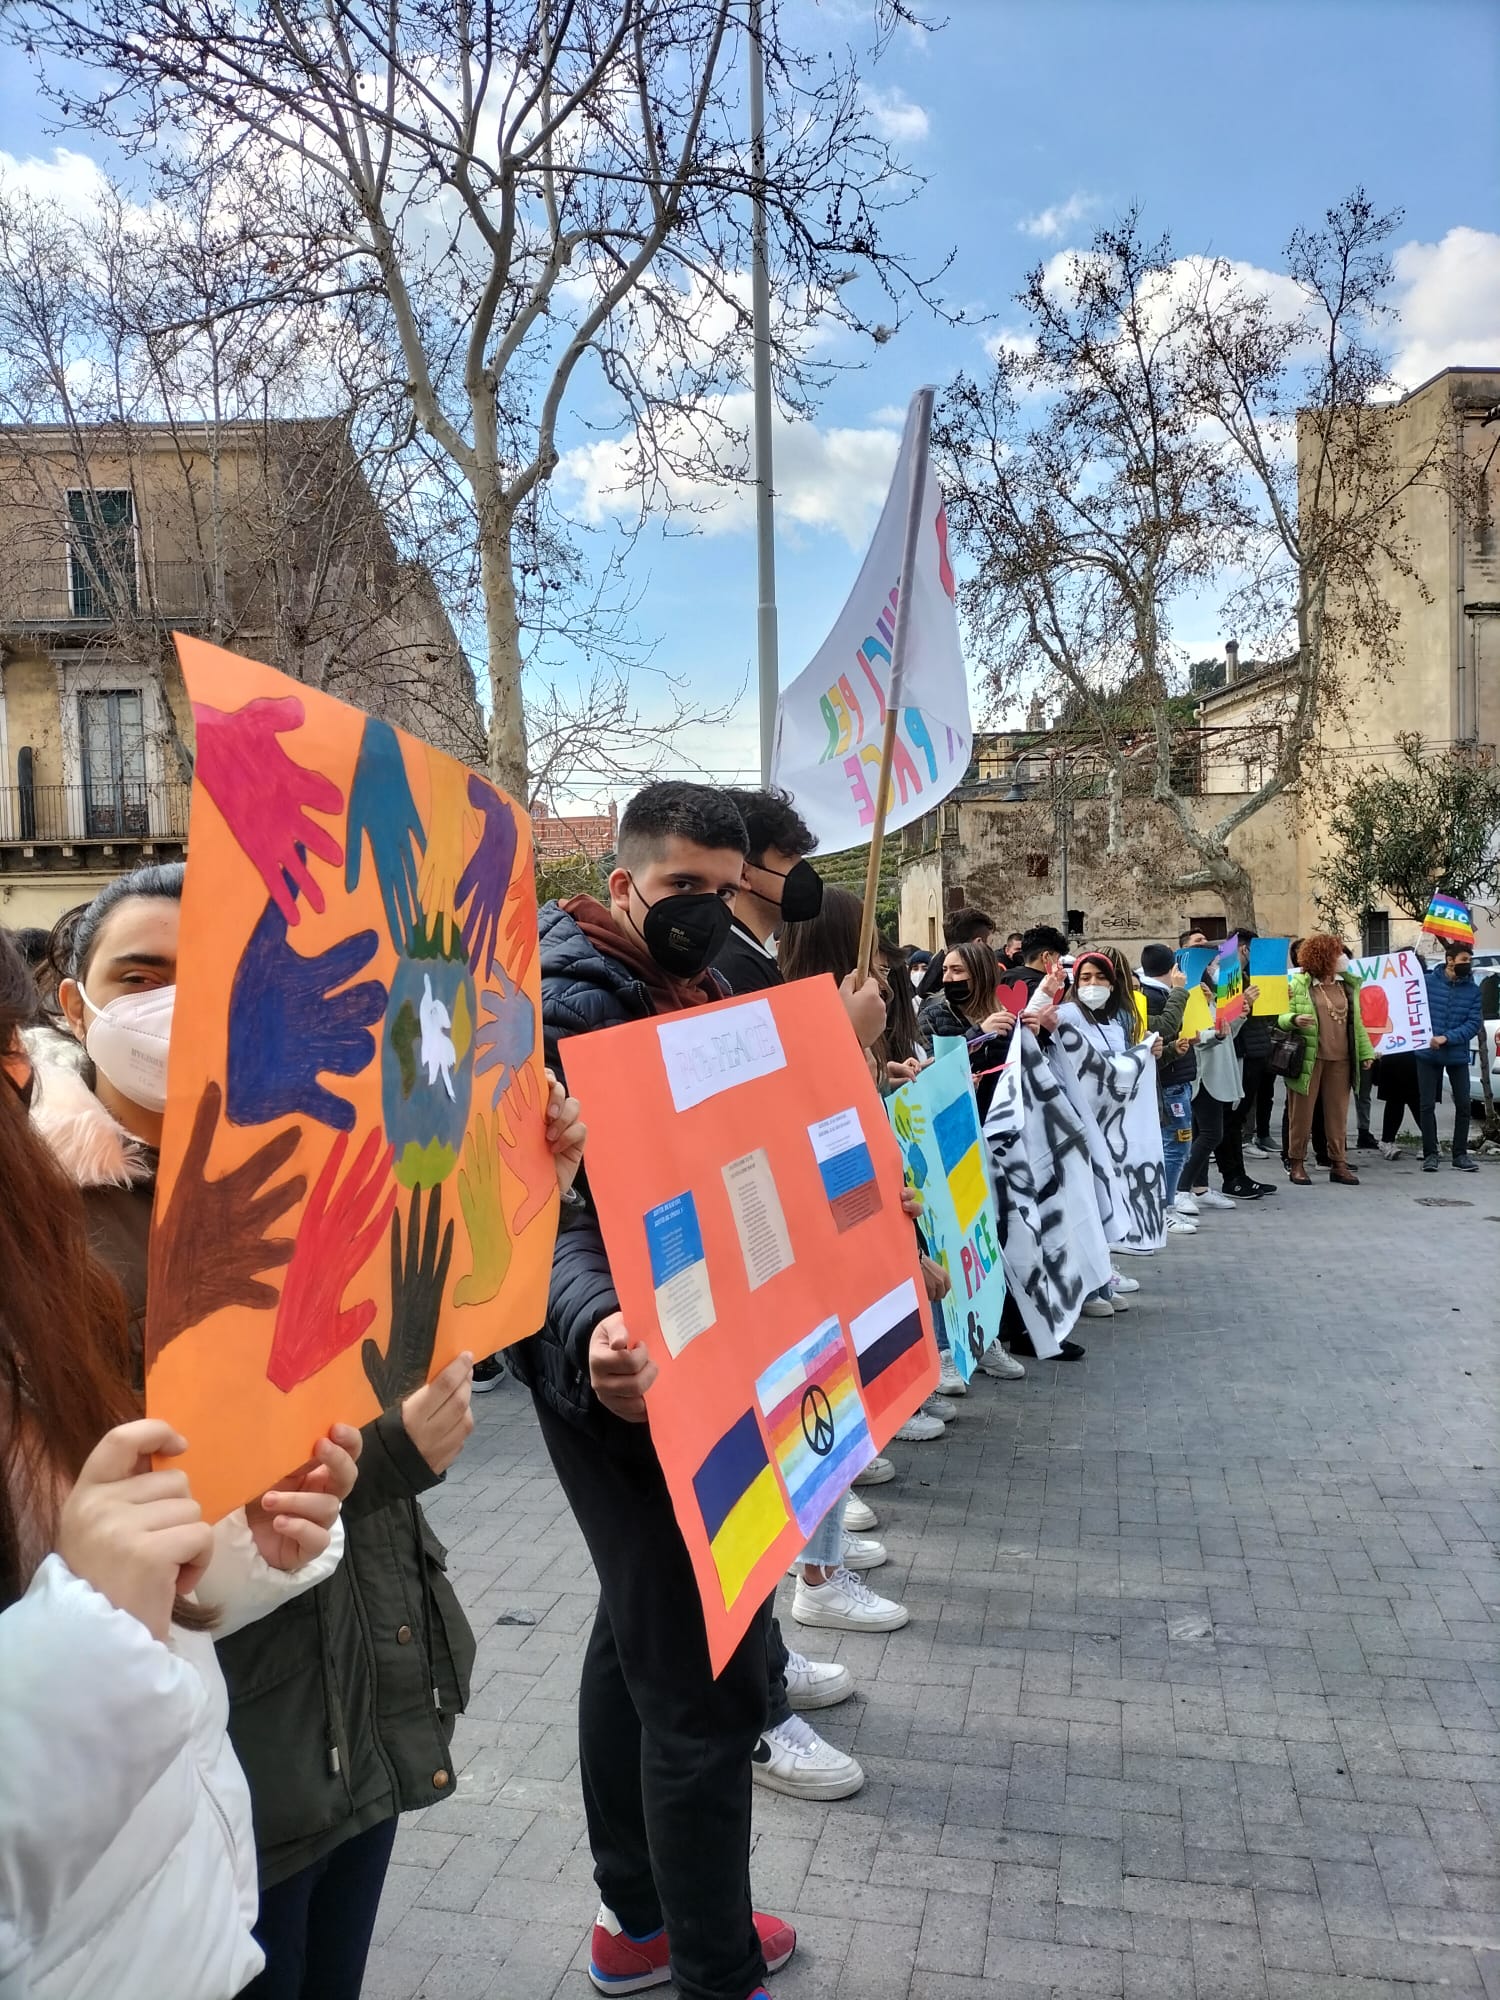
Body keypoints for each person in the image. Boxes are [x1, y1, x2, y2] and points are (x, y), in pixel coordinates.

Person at [40, 862, 587, 2000]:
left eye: (216, 977)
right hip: (227, 1739)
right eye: (139, 974)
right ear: (70, 1000)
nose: (176, 1005)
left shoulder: (320, 1150)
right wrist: (389, 1459)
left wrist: (539, 1168)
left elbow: (431, 1301)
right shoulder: (53, 1240)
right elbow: (151, 1516)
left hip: (363, 1685)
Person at [0, 929, 351, 2000]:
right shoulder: (83, 1224)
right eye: (141, 975)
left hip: (194, 1913)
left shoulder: (43, 1285)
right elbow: (91, 1623)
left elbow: (143, 1595)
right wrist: (91, 1619)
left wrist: (251, 1539)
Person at [515, 783, 799, 2000]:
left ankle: (636, 1918)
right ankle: (711, 1962)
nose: (709, 912)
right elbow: (539, 1223)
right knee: (701, 1684)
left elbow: (758, 1155)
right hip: (620, 1372)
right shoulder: (553, 1012)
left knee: (631, 1624)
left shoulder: (708, 989)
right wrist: (595, 1339)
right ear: (623, 884)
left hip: (696, 1351)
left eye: (726, 891)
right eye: (683, 888)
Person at [710, 789, 869, 1808]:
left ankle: (768, 1663)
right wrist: (842, 1042)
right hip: (739, 1275)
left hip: (777, 1263)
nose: (792, 877)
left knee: (774, 1495)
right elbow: (764, 1118)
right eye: (782, 859)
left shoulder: (757, 963)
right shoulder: (721, 970)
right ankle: (757, 1711)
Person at [1054, 951, 1157, 1317]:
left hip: (1109, 1131)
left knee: (1103, 1204)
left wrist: (1146, 1054)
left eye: (1100, 978)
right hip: (1075, 1128)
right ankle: (1087, 1290)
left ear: (1113, 985)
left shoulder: (1113, 1025)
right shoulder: (1065, 1017)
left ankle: (1100, 1281)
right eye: (1085, 978)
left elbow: (1117, 1073)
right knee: (1085, 1206)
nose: (1092, 985)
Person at [1278, 933, 1375, 1186]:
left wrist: (1365, 1053)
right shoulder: (1299, 984)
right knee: (1301, 1115)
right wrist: (1294, 1020)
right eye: (1337, 953)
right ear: (1324, 958)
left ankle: (1338, 1164)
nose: (1343, 958)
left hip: (1341, 1060)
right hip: (1309, 1058)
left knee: (1337, 1115)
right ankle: (1297, 1162)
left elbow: (1358, 1024)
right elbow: (1279, 1016)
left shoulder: (1348, 985)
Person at [1137, 944, 1197, 1234]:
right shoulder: (1150, 995)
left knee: (1179, 1146)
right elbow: (1165, 1027)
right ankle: (1165, 1208)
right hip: (1169, 1084)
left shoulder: (1161, 994)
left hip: (1178, 1077)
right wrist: (1179, 990)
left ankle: (1167, 1204)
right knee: (1174, 1147)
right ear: (1174, 968)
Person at [1417, 938, 1483, 1172]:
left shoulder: (1473, 990)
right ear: (1450, 960)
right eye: (1464, 960)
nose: (1468, 964)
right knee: (1426, 1106)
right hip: (1427, 1053)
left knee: (1464, 1105)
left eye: (1469, 960)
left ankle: (1460, 1155)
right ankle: (1430, 1154)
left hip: (1456, 1055)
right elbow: (1411, 1008)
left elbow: (1474, 1022)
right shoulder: (1426, 983)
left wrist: (1448, 1038)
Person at [913, 905, 996, 1002]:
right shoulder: (949, 1002)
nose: (947, 978)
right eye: (990, 943)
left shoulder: (931, 987)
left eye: (957, 970)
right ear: (979, 943)